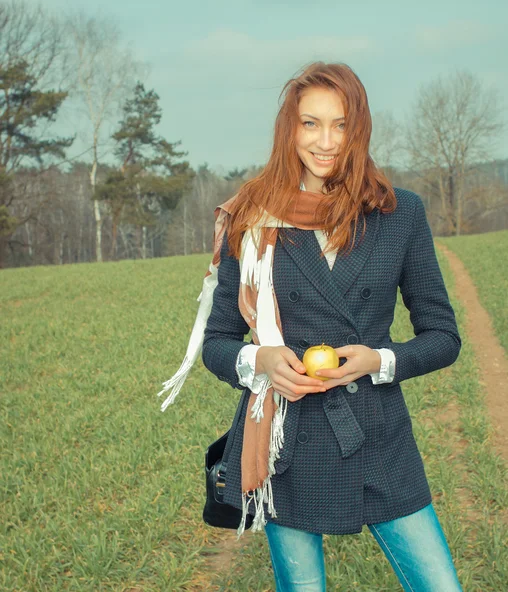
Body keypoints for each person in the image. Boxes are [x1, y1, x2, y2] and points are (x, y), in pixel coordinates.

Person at [160, 62, 463, 591]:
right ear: (289, 129)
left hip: (379, 434)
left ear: (359, 129)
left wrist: (380, 360)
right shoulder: (253, 217)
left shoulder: (398, 214)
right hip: (288, 445)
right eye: (310, 124)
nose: (325, 142)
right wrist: (261, 362)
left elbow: (443, 336)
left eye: (340, 125)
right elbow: (218, 342)